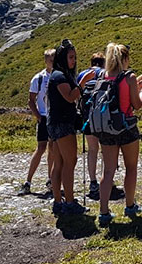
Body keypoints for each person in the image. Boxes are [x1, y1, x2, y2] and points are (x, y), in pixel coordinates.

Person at [96, 43, 142, 226]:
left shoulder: (104, 75)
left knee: (108, 170)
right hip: (126, 127)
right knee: (131, 167)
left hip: (106, 128)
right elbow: (137, 104)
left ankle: (103, 212)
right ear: (125, 59)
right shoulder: (129, 77)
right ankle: (129, 205)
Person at [46, 39, 87, 215]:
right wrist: (83, 83)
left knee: (59, 163)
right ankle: (69, 202)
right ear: (63, 58)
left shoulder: (56, 75)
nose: (73, 61)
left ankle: (58, 201)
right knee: (70, 162)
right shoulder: (60, 76)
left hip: (54, 124)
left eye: (75, 57)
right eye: (71, 57)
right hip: (63, 124)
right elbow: (70, 97)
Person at [77, 51, 117, 201]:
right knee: (105, 150)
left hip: (87, 117)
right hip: (102, 117)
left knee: (92, 150)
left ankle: (93, 181)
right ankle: (106, 180)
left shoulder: (82, 75)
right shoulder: (105, 73)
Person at [19, 49, 55, 196]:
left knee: (53, 148)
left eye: (55, 60)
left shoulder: (60, 76)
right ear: (46, 61)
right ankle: (28, 181)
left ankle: (51, 180)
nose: (53, 62)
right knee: (41, 148)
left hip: (55, 117)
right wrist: (39, 116)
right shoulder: (38, 78)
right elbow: (31, 100)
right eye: (50, 60)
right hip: (44, 117)